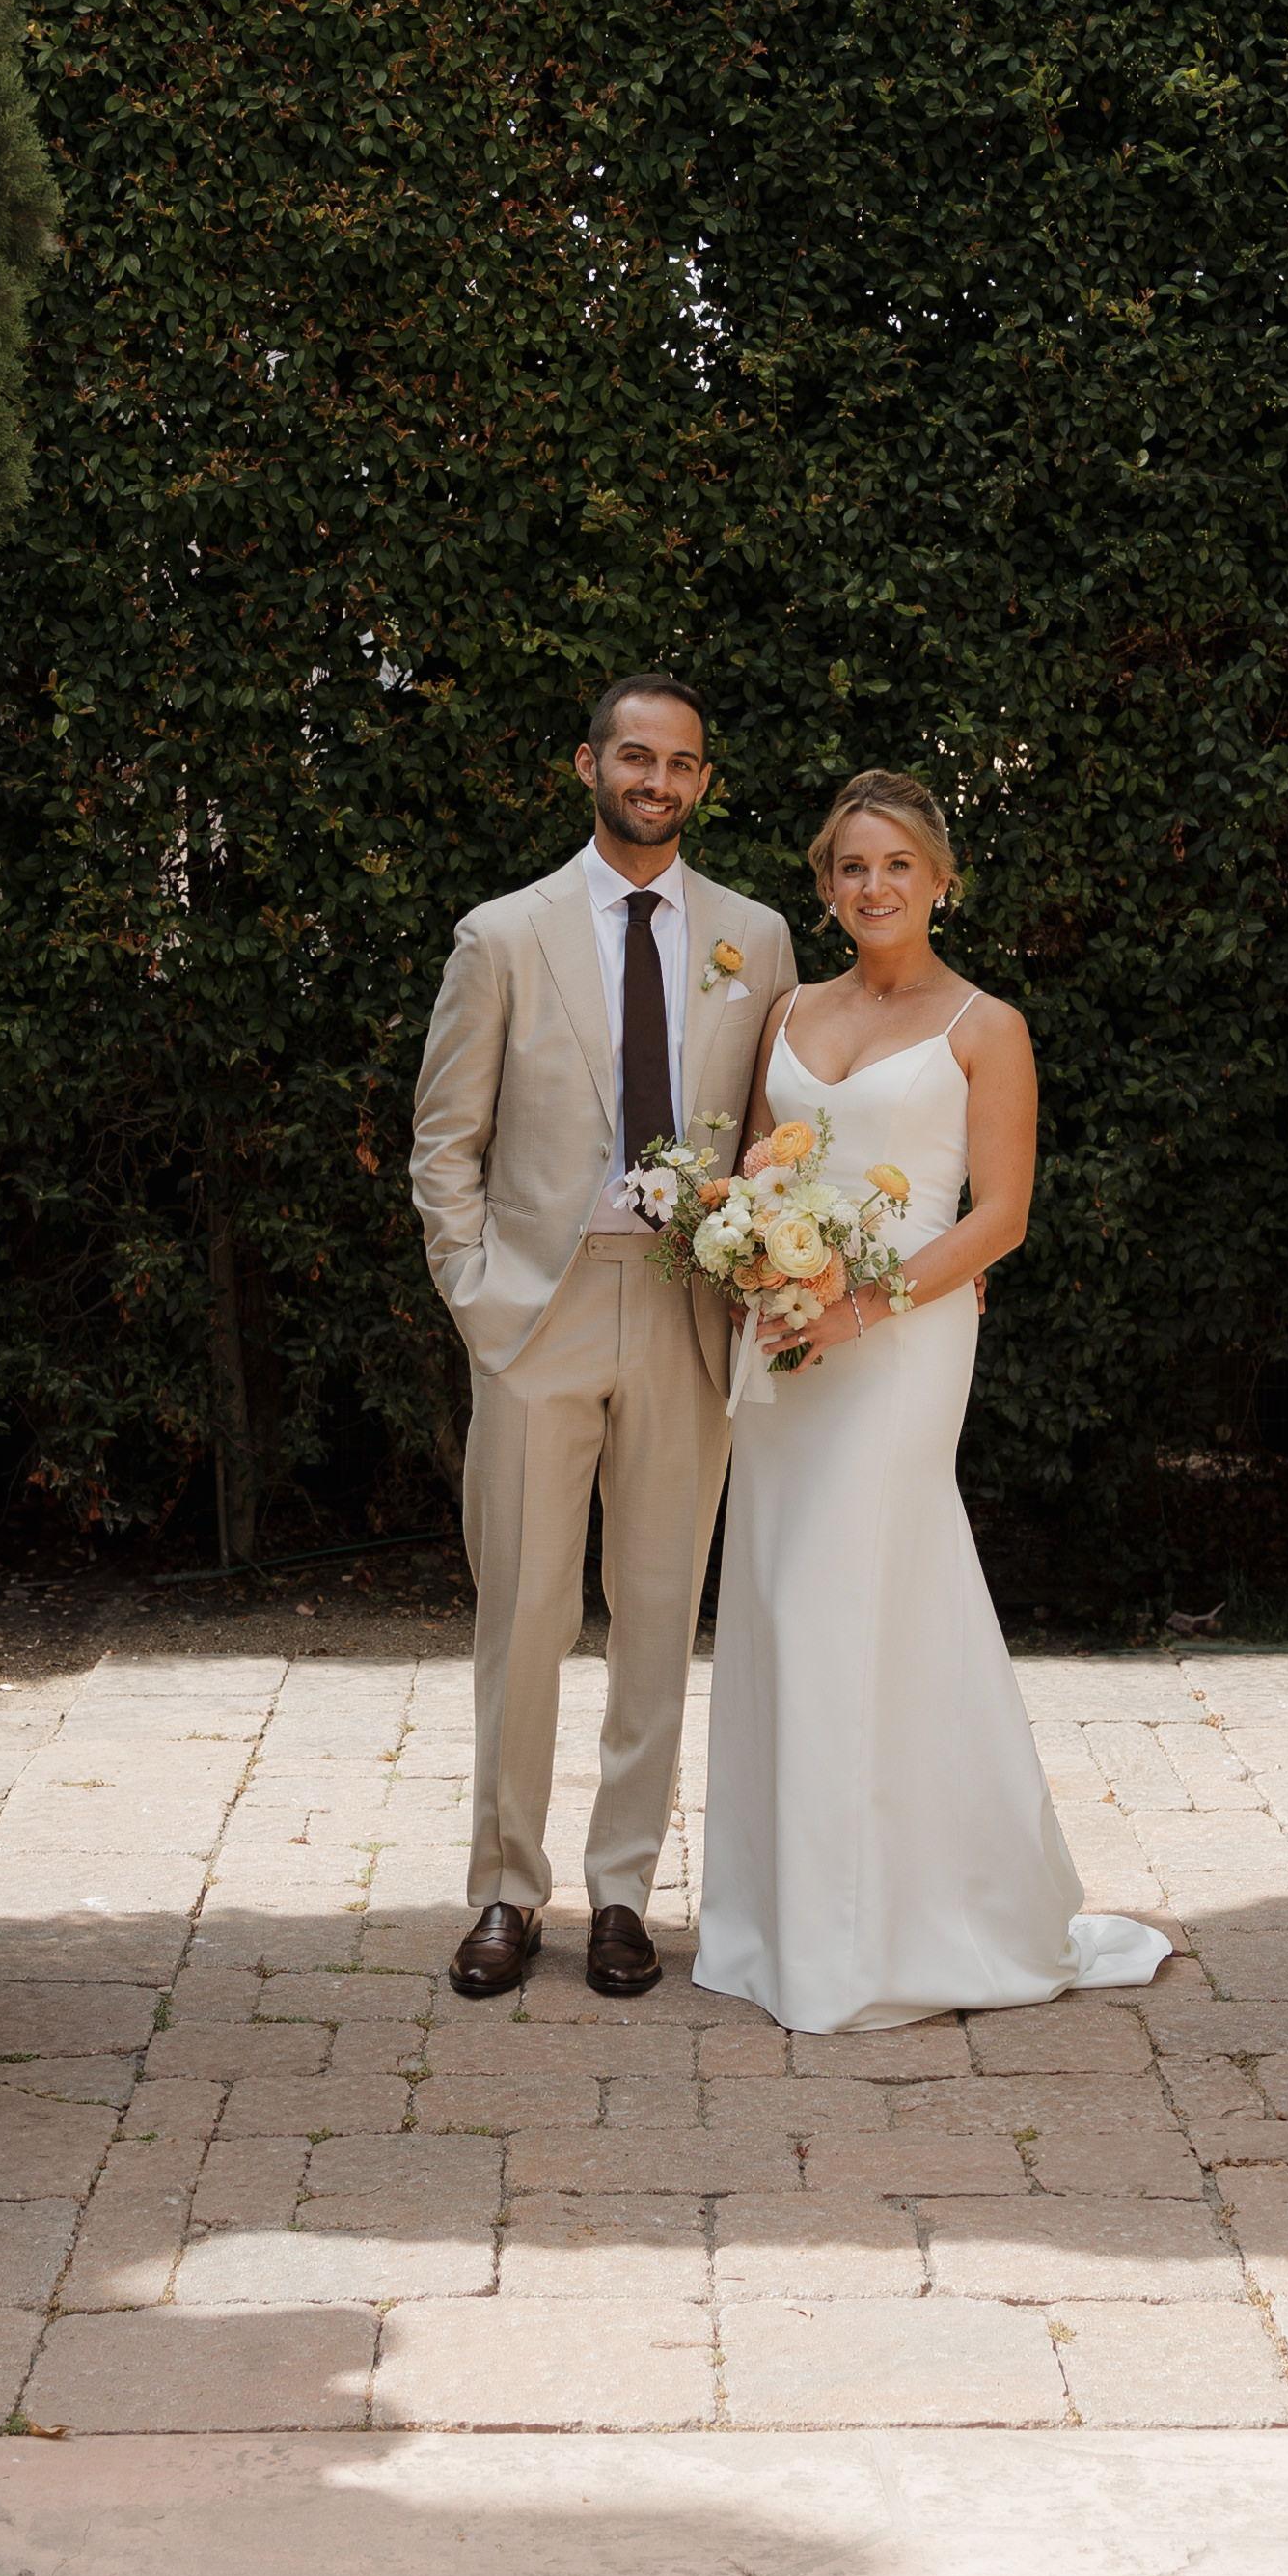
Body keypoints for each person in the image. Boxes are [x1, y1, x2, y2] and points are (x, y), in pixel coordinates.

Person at [695, 769, 1172, 2032]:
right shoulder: (789, 1009)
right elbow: (757, 1167)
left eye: (898, 864)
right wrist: (753, 1266)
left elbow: (1000, 1216)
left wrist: (857, 1306)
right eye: (851, 866)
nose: (875, 887)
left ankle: (888, 1933)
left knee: (848, 1595)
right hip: (786, 1338)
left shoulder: (984, 1025)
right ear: (825, 883)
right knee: (784, 1602)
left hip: (902, 1341)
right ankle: (785, 1921)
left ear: (941, 879)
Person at [402, 675, 802, 2000]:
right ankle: (506, 1889)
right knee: (522, 1613)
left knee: (657, 1613)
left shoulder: (757, 938)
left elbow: (777, 1137)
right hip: (540, 1314)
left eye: (681, 763)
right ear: (590, 764)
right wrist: (479, 1298)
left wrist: (765, 1264)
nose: (657, 781)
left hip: (689, 1311)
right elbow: (444, 1143)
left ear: (703, 782)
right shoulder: (502, 936)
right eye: (636, 756)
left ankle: (625, 1890)